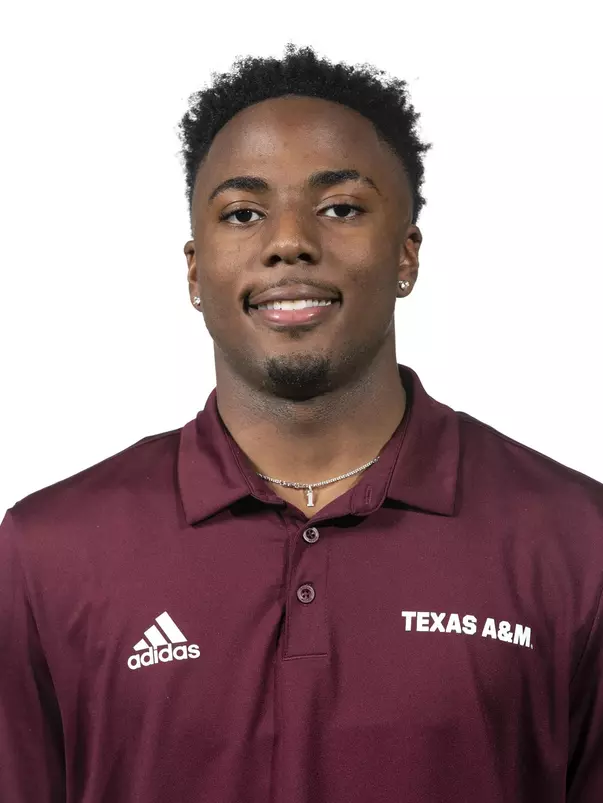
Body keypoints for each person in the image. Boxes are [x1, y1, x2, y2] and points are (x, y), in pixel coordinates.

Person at [0, 43, 601, 803]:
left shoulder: (577, 540)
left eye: (340, 207)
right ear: (194, 269)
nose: (288, 242)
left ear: (405, 254)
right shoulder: (47, 551)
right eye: (243, 212)